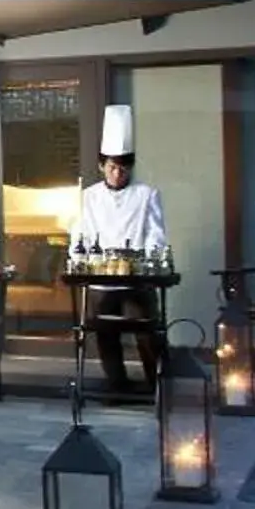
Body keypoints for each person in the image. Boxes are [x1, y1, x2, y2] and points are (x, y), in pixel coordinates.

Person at [77, 104, 168, 395]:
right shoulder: (89, 196)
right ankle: (117, 387)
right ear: (102, 165)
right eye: (112, 167)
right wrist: (81, 258)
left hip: (136, 275)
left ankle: (157, 387)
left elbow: (156, 234)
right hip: (103, 275)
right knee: (105, 333)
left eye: (123, 167)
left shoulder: (146, 194)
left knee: (147, 331)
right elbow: (81, 232)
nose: (118, 173)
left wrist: (149, 259)